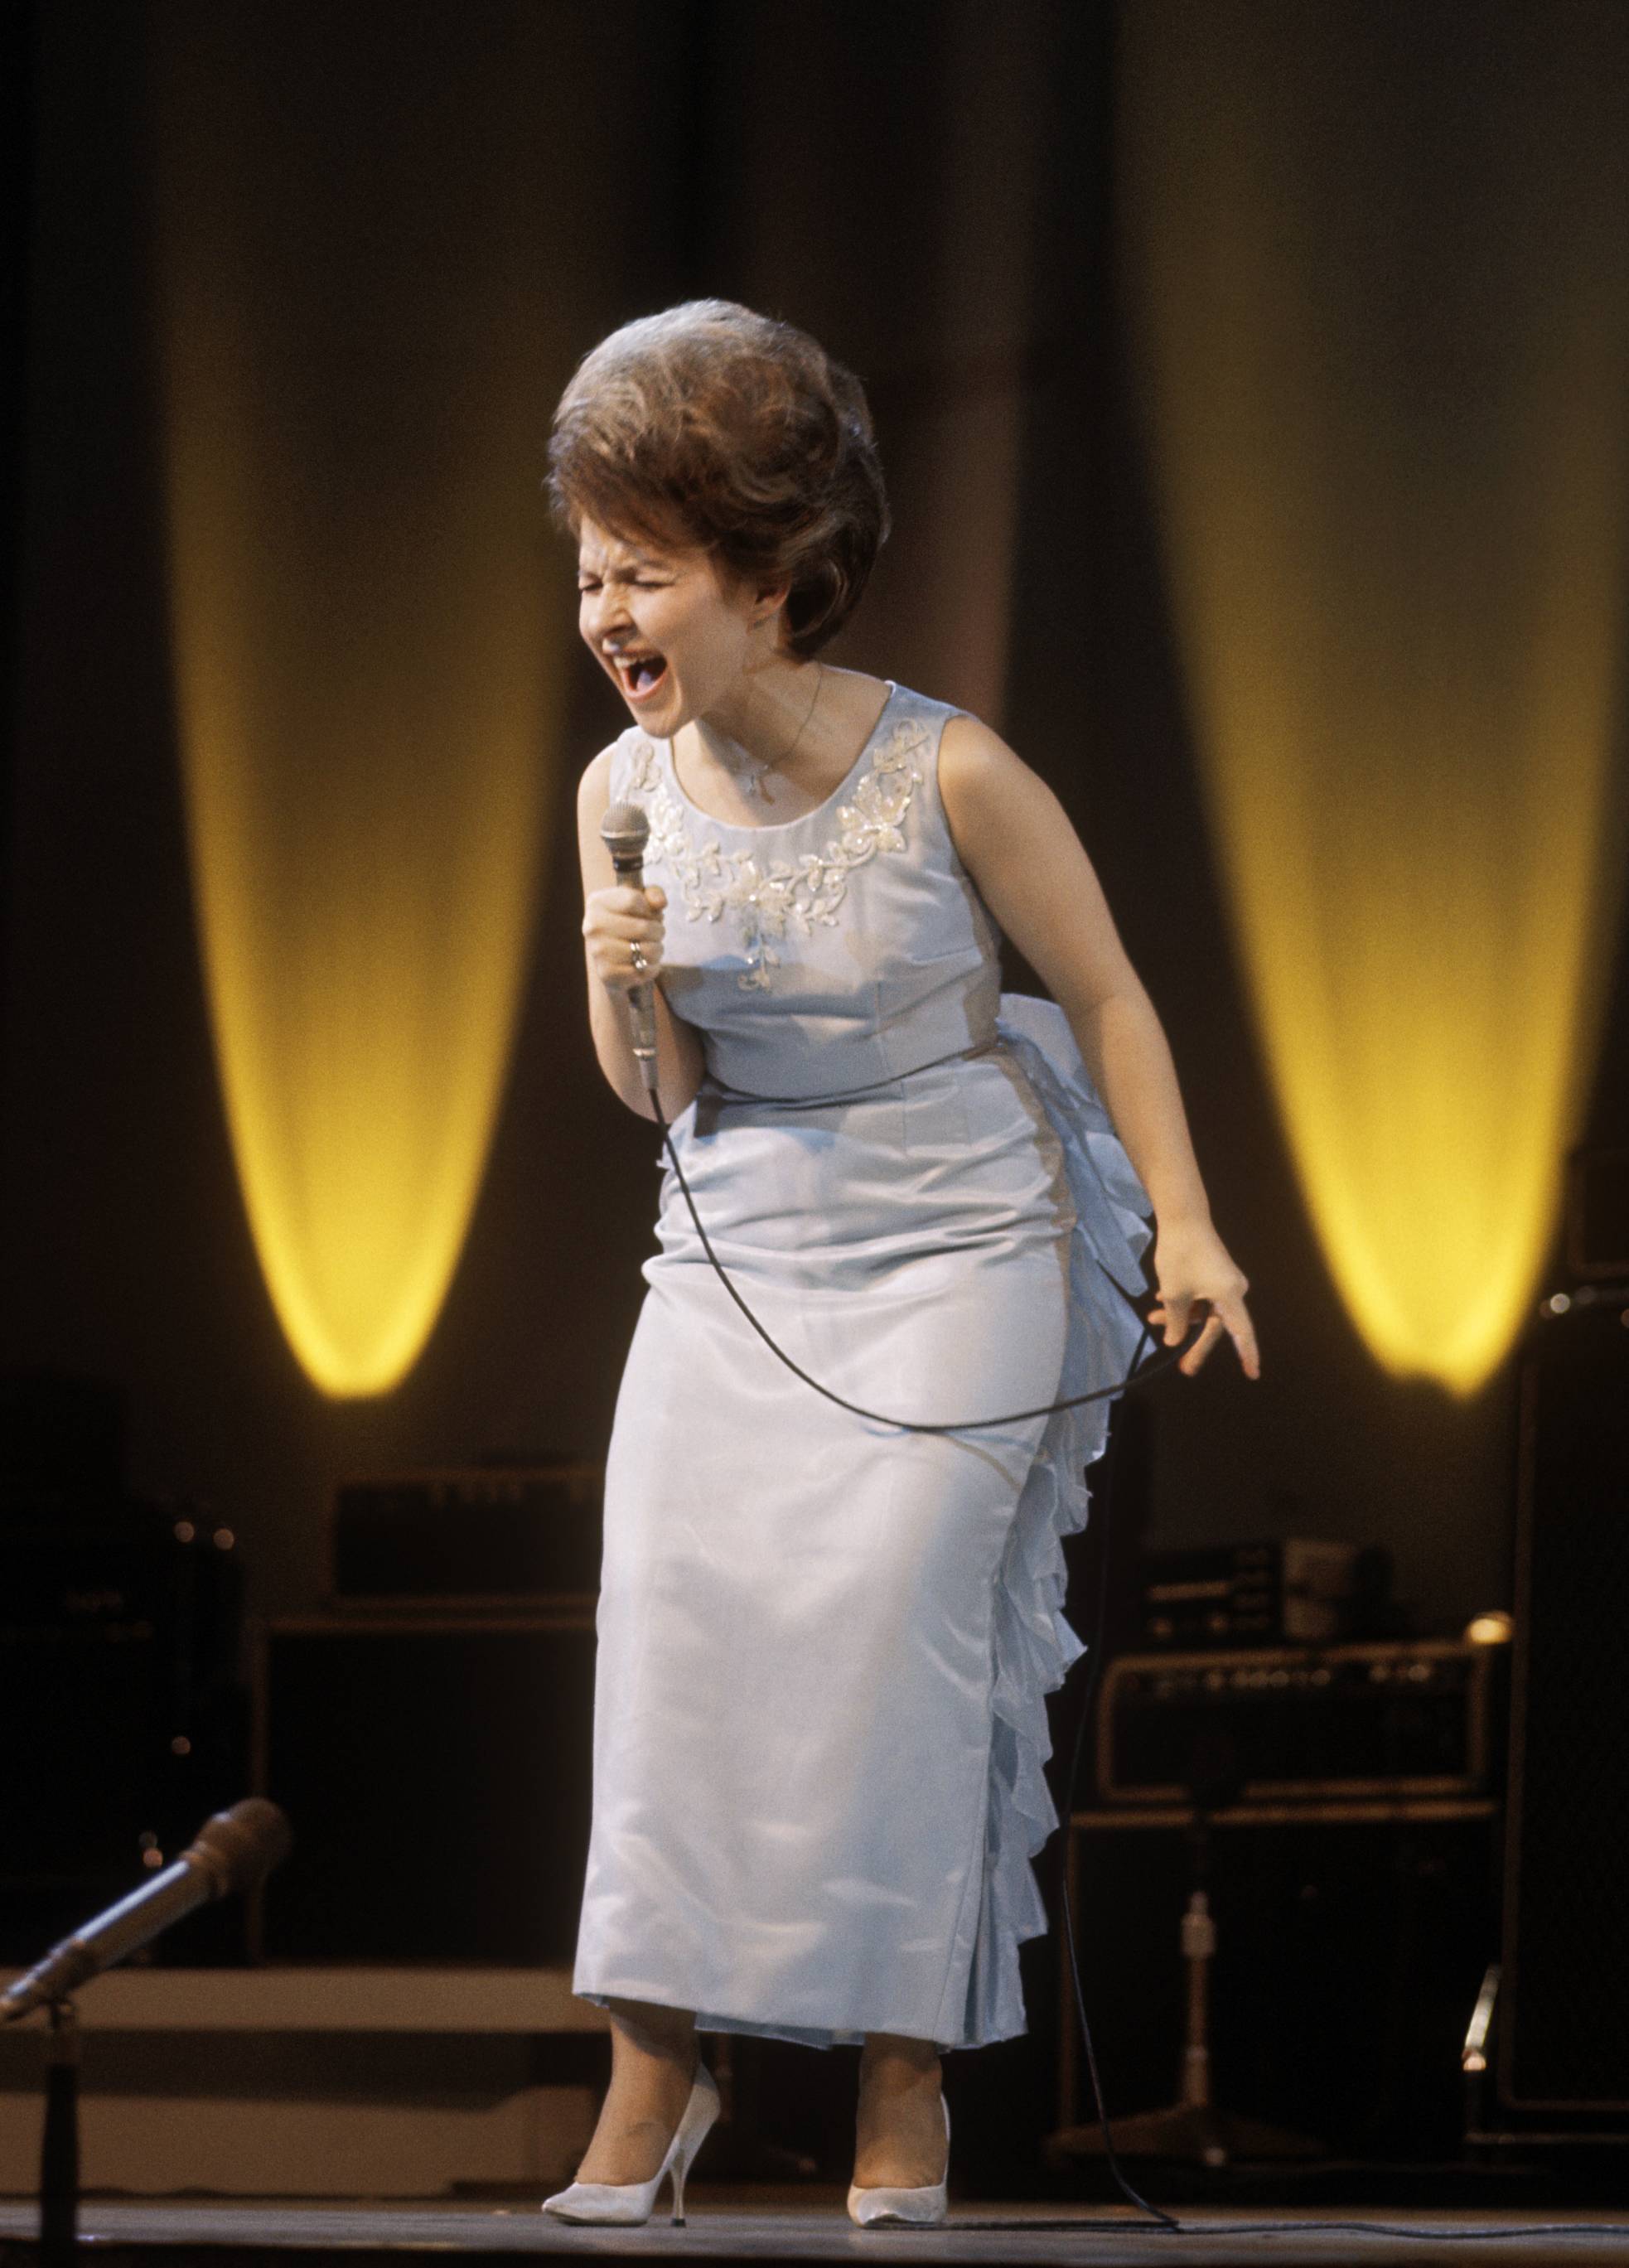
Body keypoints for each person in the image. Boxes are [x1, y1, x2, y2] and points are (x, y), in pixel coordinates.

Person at [540, 301, 1259, 2230]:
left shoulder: (951, 773)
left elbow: (1102, 994)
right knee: (673, 1633)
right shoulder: (621, 794)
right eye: (591, 569)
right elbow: (657, 1101)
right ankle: (652, 2074)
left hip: (962, 1233)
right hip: (737, 1236)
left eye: (649, 572)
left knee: (891, 1653)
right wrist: (623, 979)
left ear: (773, 579)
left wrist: (1184, 1219)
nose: (610, 612)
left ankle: (899, 2087)